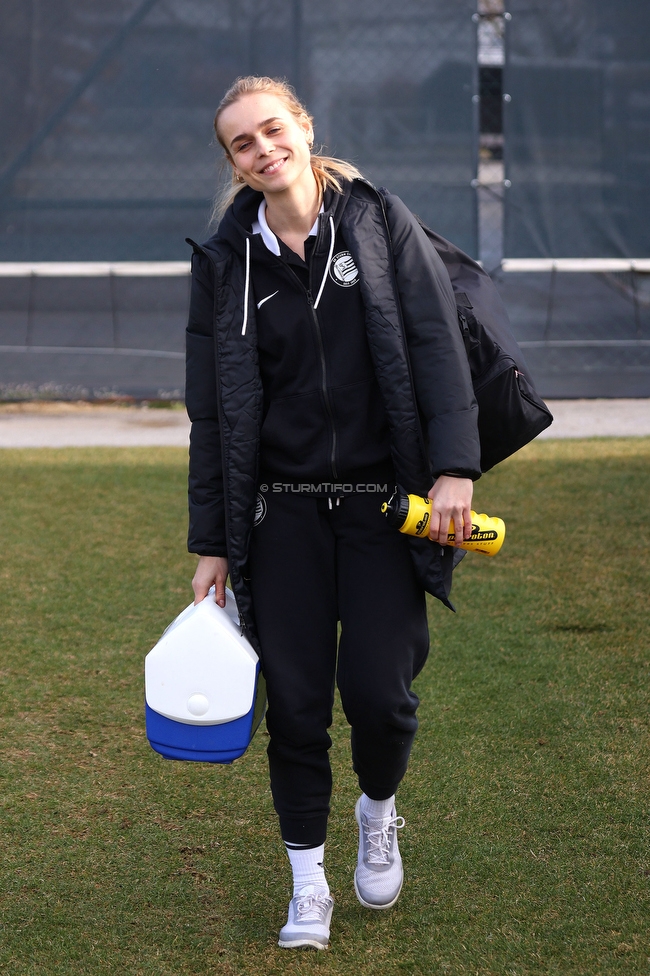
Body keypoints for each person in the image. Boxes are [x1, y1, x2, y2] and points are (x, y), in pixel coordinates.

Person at [185, 75, 481, 950]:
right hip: (282, 518)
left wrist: (456, 470)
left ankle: (378, 811)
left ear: (303, 128)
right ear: (234, 164)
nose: (263, 149)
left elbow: (435, 342)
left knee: (381, 698)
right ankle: (307, 883)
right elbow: (213, 412)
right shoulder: (224, 261)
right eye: (243, 142)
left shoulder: (378, 222)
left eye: (273, 130)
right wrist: (211, 544)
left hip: (387, 509)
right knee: (300, 708)